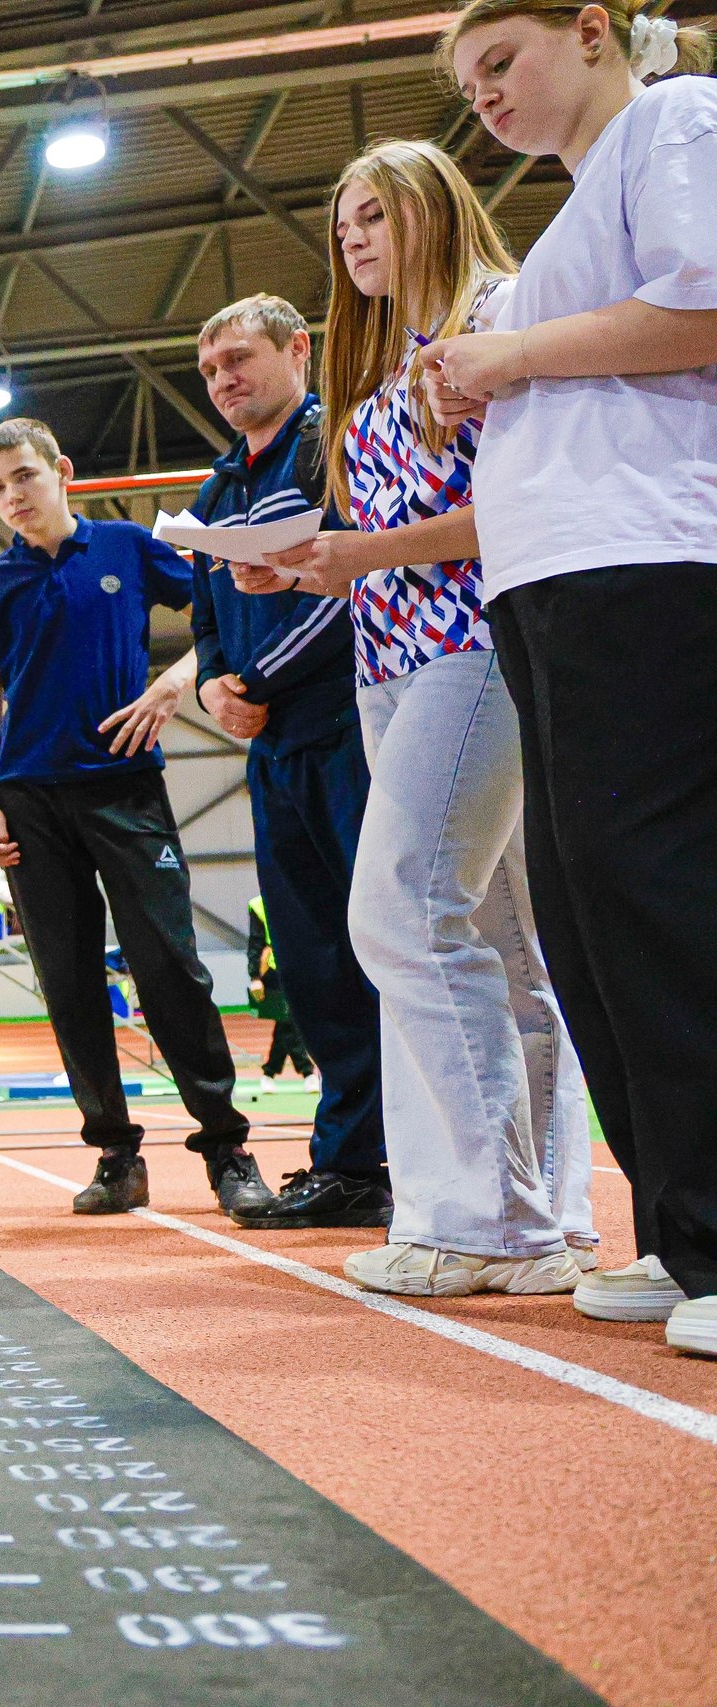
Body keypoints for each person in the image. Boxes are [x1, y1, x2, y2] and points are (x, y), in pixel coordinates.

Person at [250, 139, 594, 1297]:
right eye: (340, 222)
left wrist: (363, 552)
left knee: (400, 908)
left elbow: (520, 501)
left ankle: (483, 1218)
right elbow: (387, 527)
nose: (351, 238)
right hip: (389, 657)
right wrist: (311, 563)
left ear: (432, 210)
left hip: (477, 640)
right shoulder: (385, 354)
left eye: (373, 214)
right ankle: (543, 1218)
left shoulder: (495, 317)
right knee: (501, 941)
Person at [428, 1, 717, 1349]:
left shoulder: (676, 122)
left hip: (645, 559)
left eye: (502, 59)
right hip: (550, 580)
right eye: (469, 82)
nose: (485, 95)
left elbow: (703, 305)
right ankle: (679, 1223)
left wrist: (509, 354)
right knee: (593, 916)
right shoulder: (568, 218)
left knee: (657, 899)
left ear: (592, 31)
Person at [0, 417, 270, 1218]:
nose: (11, 496)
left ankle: (227, 1147)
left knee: (169, 967)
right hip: (29, 801)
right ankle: (115, 1155)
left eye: (23, 476)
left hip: (125, 786)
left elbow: (218, 611)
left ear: (61, 469)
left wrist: (175, 682)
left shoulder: (129, 548)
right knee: (68, 984)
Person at [184, 295, 388, 1229]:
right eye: (209, 370)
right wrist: (212, 689)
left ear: (298, 349)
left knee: (387, 947)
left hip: (350, 728)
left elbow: (348, 585)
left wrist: (255, 679)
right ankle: (350, 1164)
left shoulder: (332, 447)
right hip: (273, 752)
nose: (223, 380)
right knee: (312, 963)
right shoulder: (216, 494)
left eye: (238, 358)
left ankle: (417, 1158)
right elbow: (206, 620)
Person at [245, 896, 317, 1089]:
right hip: (273, 970)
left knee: (286, 1022)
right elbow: (255, 942)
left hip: (299, 968)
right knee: (289, 1020)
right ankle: (307, 1072)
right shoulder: (258, 905)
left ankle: (269, 1073)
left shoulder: (297, 896)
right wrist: (255, 977)